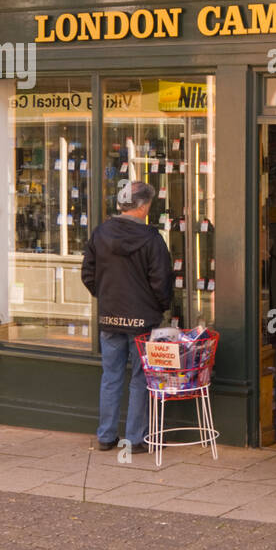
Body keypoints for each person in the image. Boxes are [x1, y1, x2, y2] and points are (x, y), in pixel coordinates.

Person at [81, 181, 173, 454]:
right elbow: (161, 281)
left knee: (111, 376)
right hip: (142, 319)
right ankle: (136, 438)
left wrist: (106, 297)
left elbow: (88, 274)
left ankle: (106, 436)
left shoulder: (100, 233)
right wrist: (161, 306)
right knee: (141, 378)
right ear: (143, 207)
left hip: (110, 317)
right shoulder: (152, 238)